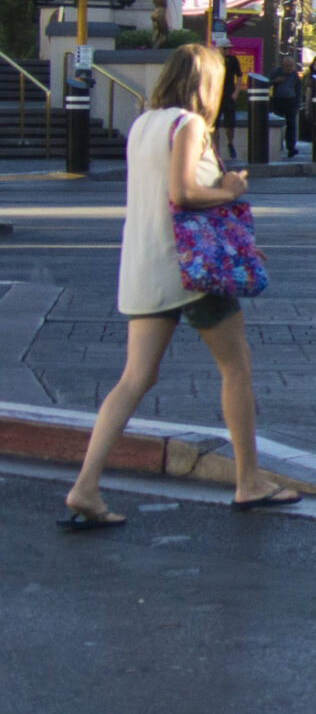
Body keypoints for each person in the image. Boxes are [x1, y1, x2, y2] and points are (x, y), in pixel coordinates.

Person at [60, 43, 300, 529]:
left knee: (134, 378)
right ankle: (249, 481)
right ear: (204, 84)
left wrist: (237, 244)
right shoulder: (188, 125)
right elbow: (184, 195)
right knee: (236, 368)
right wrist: (230, 190)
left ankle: (85, 485)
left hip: (146, 265)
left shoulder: (145, 124)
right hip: (192, 274)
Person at [219, 51, 244, 154]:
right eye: (224, 48)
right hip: (216, 95)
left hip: (229, 94)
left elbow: (239, 76)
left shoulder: (233, 60)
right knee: (214, 124)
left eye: (227, 48)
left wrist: (236, 92)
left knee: (230, 123)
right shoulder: (214, 59)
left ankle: (230, 143)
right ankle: (215, 148)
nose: (226, 50)